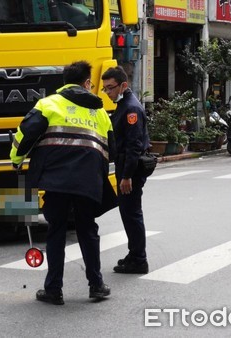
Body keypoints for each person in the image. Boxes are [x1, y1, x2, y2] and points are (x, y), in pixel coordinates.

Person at [10, 61, 115, 305]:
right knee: (87, 230)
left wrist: (15, 160)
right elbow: (112, 150)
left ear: (64, 81)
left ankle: (53, 290)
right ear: (87, 83)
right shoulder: (100, 113)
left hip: (56, 181)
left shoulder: (48, 104)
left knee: (55, 231)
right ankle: (96, 285)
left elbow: (25, 134)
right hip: (88, 182)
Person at [101, 66, 150, 274]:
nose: (108, 93)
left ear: (123, 85)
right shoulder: (123, 104)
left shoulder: (131, 108)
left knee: (132, 214)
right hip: (124, 167)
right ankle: (134, 254)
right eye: (104, 89)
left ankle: (139, 259)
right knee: (128, 213)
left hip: (131, 170)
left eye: (110, 88)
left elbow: (134, 144)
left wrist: (127, 176)